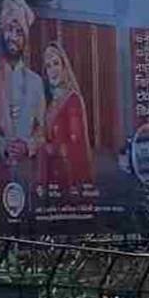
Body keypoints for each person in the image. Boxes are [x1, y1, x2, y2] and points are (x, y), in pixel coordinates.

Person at [0, 0, 46, 206]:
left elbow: (42, 131)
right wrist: (3, 146)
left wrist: (27, 145)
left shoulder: (36, 81)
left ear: (26, 38)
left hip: (27, 169)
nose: (13, 37)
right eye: (9, 30)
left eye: (19, 32)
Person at [38, 41, 92, 196]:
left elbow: (75, 139)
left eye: (56, 64)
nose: (52, 70)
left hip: (69, 179)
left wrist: (51, 148)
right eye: (48, 66)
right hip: (52, 177)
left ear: (64, 67)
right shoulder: (51, 103)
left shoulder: (72, 100)